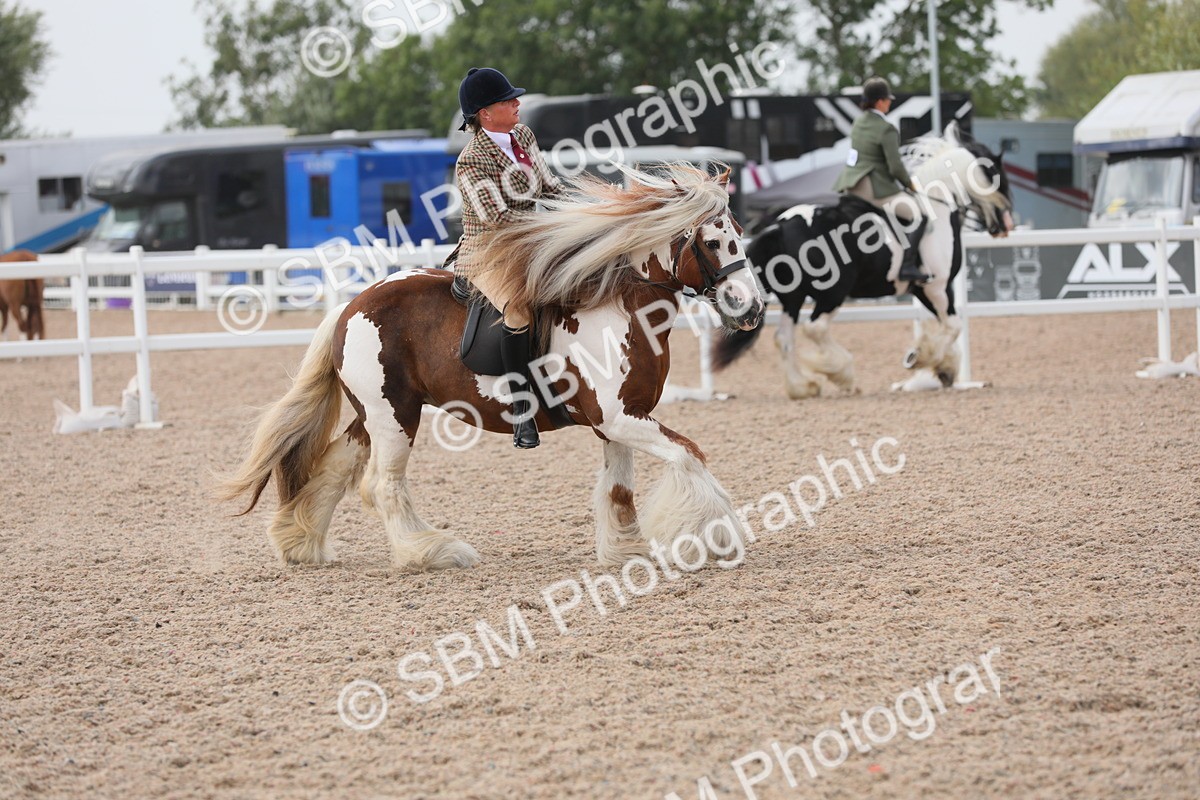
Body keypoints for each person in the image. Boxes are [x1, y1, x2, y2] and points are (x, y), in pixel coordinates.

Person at [443, 67, 562, 449]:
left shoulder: (523, 135)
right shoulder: (471, 160)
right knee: (518, 309)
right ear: (485, 114)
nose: (517, 103)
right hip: (489, 249)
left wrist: (584, 209)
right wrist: (548, 228)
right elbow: (497, 218)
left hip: (528, 239)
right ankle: (523, 408)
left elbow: (548, 185)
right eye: (507, 100)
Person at [832, 76, 930, 284]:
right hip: (873, 187)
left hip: (851, 184)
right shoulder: (887, 128)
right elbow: (895, 167)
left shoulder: (858, 122)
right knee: (920, 214)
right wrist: (910, 185)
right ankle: (908, 266)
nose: (890, 102)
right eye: (887, 99)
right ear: (879, 101)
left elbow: (855, 155)